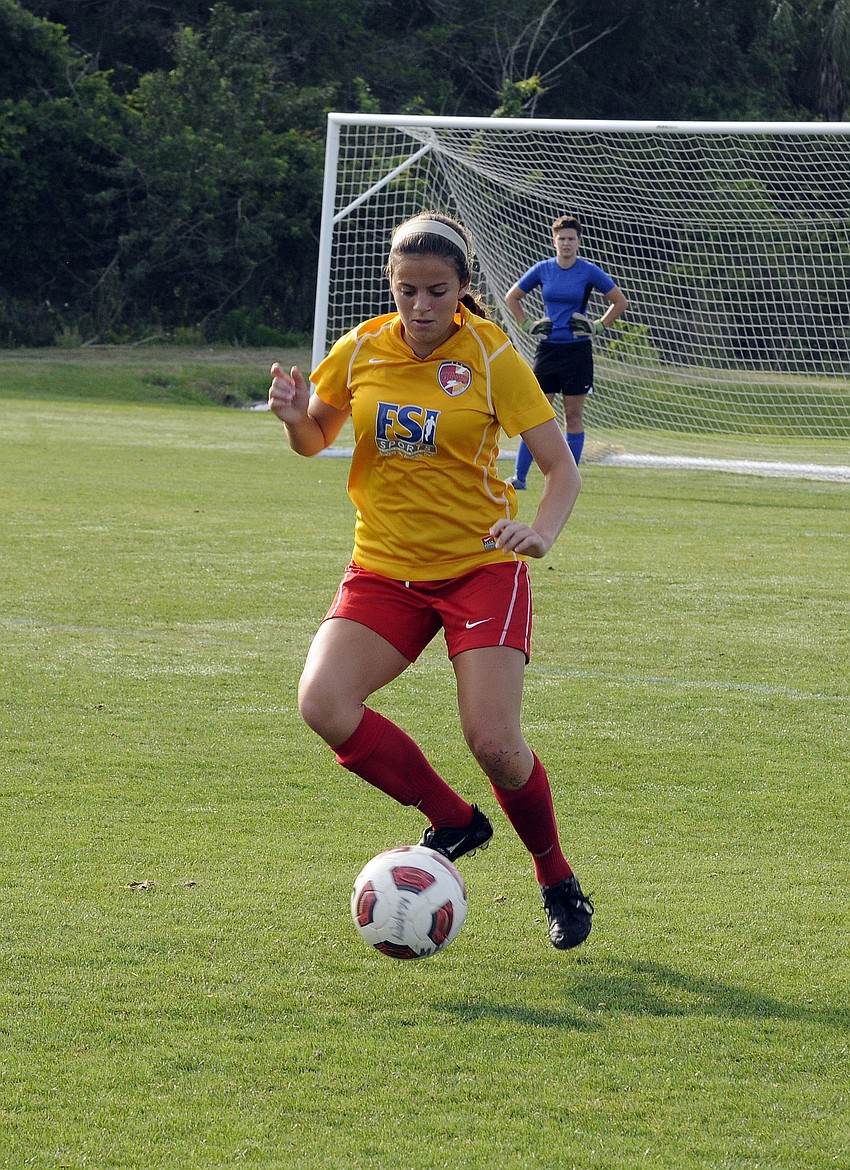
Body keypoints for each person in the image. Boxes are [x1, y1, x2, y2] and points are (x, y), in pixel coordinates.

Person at [268, 211, 593, 950]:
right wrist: (293, 419)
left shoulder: (490, 355)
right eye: (408, 289)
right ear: (391, 285)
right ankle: (453, 819)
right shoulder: (361, 350)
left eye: (437, 290)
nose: (421, 305)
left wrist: (539, 532)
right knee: (322, 703)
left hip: (480, 568)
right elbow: (315, 438)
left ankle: (556, 879)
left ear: (463, 289)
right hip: (384, 567)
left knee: (495, 742)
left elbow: (560, 467)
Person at [505, 214, 628, 487]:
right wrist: (527, 324)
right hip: (548, 351)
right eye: (562, 238)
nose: (566, 243)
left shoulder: (588, 271)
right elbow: (512, 297)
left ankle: (567, 481)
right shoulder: (543, 269)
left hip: (577, 352)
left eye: (571, 238)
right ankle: (520, 477)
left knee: (572, 417)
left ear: (579, 242)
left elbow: (619, 301)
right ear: (554, 241)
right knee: (535, 413)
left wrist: (597, 326)